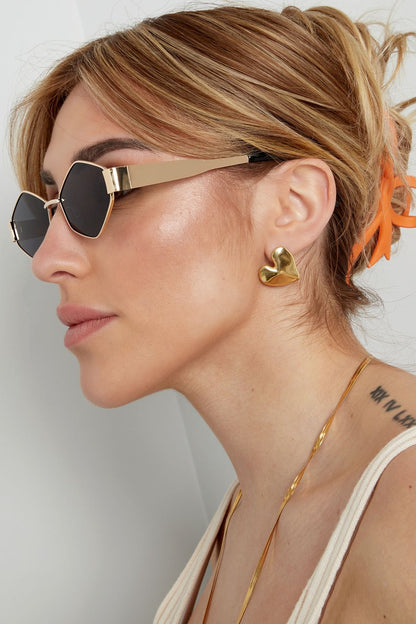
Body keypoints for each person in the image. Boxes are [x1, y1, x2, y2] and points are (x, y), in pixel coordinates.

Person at [8, 4, 416, 623]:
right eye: (46, 212)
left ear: (292, 206)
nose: (48, 261)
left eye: (102, 189)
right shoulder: (252, 508)